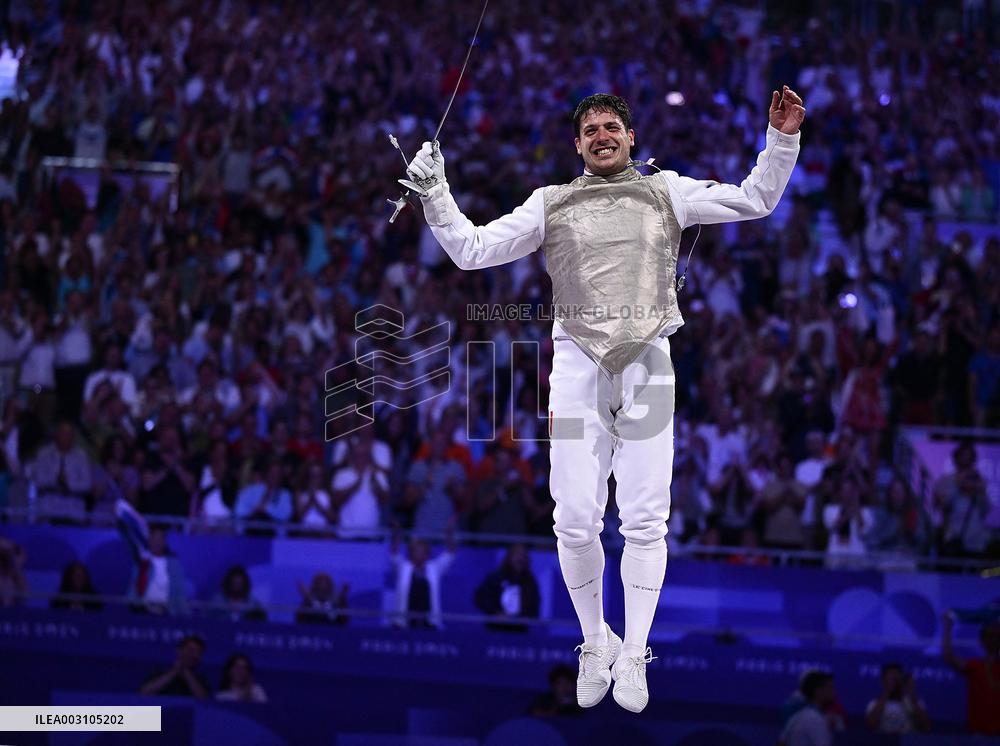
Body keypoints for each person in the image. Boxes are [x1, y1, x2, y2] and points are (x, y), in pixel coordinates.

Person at [408, 87, 804, 712]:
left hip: (649, 360)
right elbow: (471, 249)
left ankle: (635, 651)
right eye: (590, 129)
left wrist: (781, 141)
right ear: (577, 144)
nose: (602, 136)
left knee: (645, 518)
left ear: (630, 136)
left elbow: (756, 199)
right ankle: (596, 640)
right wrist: (435, 192)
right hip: (575, 364)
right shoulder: (551, 202)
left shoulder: (668, 191)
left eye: (611, 126)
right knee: (572, 518)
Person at [942, 611, 1000, 735]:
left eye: (997, 636)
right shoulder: (974, 665)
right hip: (978, 733)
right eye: (989, 636)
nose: (993, 640)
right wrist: (947, 628)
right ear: (982, 640)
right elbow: (948, 657)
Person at [390, 520, 456, 629]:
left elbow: (450, 553)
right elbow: (394, 553)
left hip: (429, 622)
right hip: (404, 623)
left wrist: (449, 532)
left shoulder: (434, 568)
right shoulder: (403, 567)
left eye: (422, 551)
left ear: (427, 554)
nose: (419, 553)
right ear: (410, 553)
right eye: (416, 550)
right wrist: (397, 532)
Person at [474, 543, 541, 632]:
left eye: (523, 556)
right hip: (495, 628)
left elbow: (534, 605)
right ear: (509, 557)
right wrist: (495, 612)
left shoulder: (530, 582)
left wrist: (525, 617)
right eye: (517, 555)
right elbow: (481, 598)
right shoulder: (496, 577)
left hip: (519, 630)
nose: (520, 559)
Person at [864, 663, 931, 734]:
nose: (894, 681)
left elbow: (926, 727)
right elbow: (871, 726)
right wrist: (887, 692)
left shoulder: (914, 702)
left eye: (897, 678)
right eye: (890, 678)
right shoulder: (874, 704)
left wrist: (911, 693)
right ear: (883, 680)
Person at [139, 634, 211, 699]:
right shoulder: (160, 672)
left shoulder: (201, 679)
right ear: (179, 651)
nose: (194, 655)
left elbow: (204, 700)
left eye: (198, 652)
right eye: (190, 650)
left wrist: (186, 672)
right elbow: (144, 693)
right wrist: (174, 672)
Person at [778, 670, 837, 746]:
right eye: (830, 688)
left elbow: (781, 742)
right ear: (818, 691)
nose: (834, 692)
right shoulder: (815, 719)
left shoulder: (796, 716)